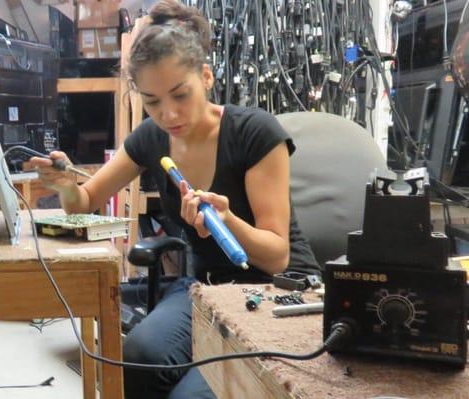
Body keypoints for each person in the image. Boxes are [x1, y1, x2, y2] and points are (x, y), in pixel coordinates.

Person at [30, 0, 320, 397]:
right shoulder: (150, 137)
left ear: (205, 77)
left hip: (277, 287)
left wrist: (227, 220)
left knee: (194, 394)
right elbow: (83, 201)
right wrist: (63, 183)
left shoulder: (256, 133)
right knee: (138, 359)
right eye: (151, 101)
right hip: (207, 286)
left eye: (179, 95)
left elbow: (276, 256)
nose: (167, 114)